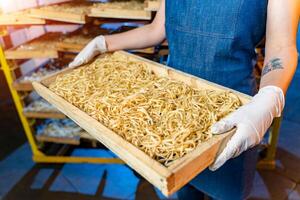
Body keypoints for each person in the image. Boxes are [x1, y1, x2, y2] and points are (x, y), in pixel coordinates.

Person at [69, 0, 299, 199]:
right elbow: (156, 31)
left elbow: (281, 47)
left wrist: (270, 97)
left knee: (227, 188)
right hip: (174, 107)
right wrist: (105, 42)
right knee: (184, 184)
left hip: (231, 112)